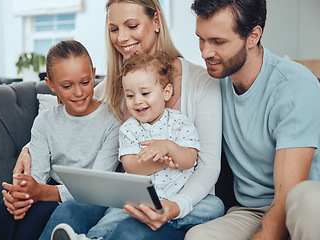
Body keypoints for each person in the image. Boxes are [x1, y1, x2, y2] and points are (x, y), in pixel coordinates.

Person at [17, 0, 223, 239]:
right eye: (114, 29)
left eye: (132, 25)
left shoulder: (201, 83)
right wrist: (29, 148)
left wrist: (176, 206)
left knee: (132, 229)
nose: (122, 38)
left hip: (183, 199)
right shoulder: (111, 88)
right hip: (128, 197)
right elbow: (69, 111)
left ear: (156, 21)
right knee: (71, 210)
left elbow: (207, 164)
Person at [184, 0, 320, 240]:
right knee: (200, 237)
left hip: (307, 211)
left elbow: (287, 196)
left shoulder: (294, 86)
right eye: (201, 38)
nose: (205, 52)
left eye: (218, 42)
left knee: (309, 199)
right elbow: (162, 72)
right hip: (251, 212)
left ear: (253, 36)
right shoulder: (213, 83)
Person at [51, 52, 223, 240]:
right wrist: (161, 162)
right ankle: (92, 238)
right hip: (139, 201)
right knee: (114, 215)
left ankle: (169, 218)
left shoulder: (180, 122)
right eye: (130, 95)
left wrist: (170, 148)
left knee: (214, 206)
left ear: (166, 92)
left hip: (176, 197)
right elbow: (131, 166)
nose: (138, 101)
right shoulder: (129, 129)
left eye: (145, 93)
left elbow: (190, 160)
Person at [0, 40, 121, 240]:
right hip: (46, 191)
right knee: (5, 211)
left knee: (35, 219)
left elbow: (96, 186)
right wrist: (21, 196)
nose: (79, 92)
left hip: (82, 200)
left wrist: (42, 192)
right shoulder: (45, 120)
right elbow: (36, 176)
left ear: (94, 74)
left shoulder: (112, 121)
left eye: (85, 82)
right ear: (51, 85)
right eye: (67, 86)